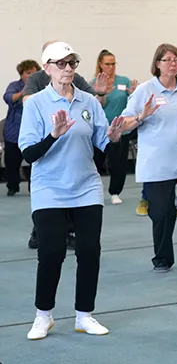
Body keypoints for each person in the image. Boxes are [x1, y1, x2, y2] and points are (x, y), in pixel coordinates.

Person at [19, 41, 126, 340]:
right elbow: (29, 153)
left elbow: (102, 142)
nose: (68, 69)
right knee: (51, 253)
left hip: (86, 186)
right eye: (61, 63)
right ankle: (43, 315)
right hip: (49, 188)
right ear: (47, 68)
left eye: (72, 63)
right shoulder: (36, 103)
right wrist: (54, 135)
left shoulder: (89, 102)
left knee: (90, 251)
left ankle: (84, 315)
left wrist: (114, 137)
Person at [119, 43, 177, 272]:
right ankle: (162, 257)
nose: (172, 64)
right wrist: (142, 116)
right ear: (157, 63)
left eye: (176, 60)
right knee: (163, 214)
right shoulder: (145, 90)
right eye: (167, 60)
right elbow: (124, 124)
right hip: (157, 165)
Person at [93, 50, 137, 203]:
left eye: (113, 64)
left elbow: (131, 105)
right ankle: (94, 191)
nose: (111, 67)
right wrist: (102, 92)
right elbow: (98, 105)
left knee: (118, 163)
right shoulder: (93, 83)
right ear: (100, 64)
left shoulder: (124, 81)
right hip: (100, 131)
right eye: (107, 64)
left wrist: (132, 94)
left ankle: (115, 192)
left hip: (120, 130)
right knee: (95, 162)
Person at [5, 60, 40, 196]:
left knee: (35, 161)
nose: (31, 76)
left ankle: (34, 188)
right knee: (12, 162)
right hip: (14, 130)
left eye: (34, 73)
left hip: (34, 130)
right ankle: (12, 186)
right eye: (28, 73)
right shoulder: (14, 86)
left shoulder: (41, 86)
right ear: (21, 74)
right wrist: (23, 92)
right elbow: (8, 98)